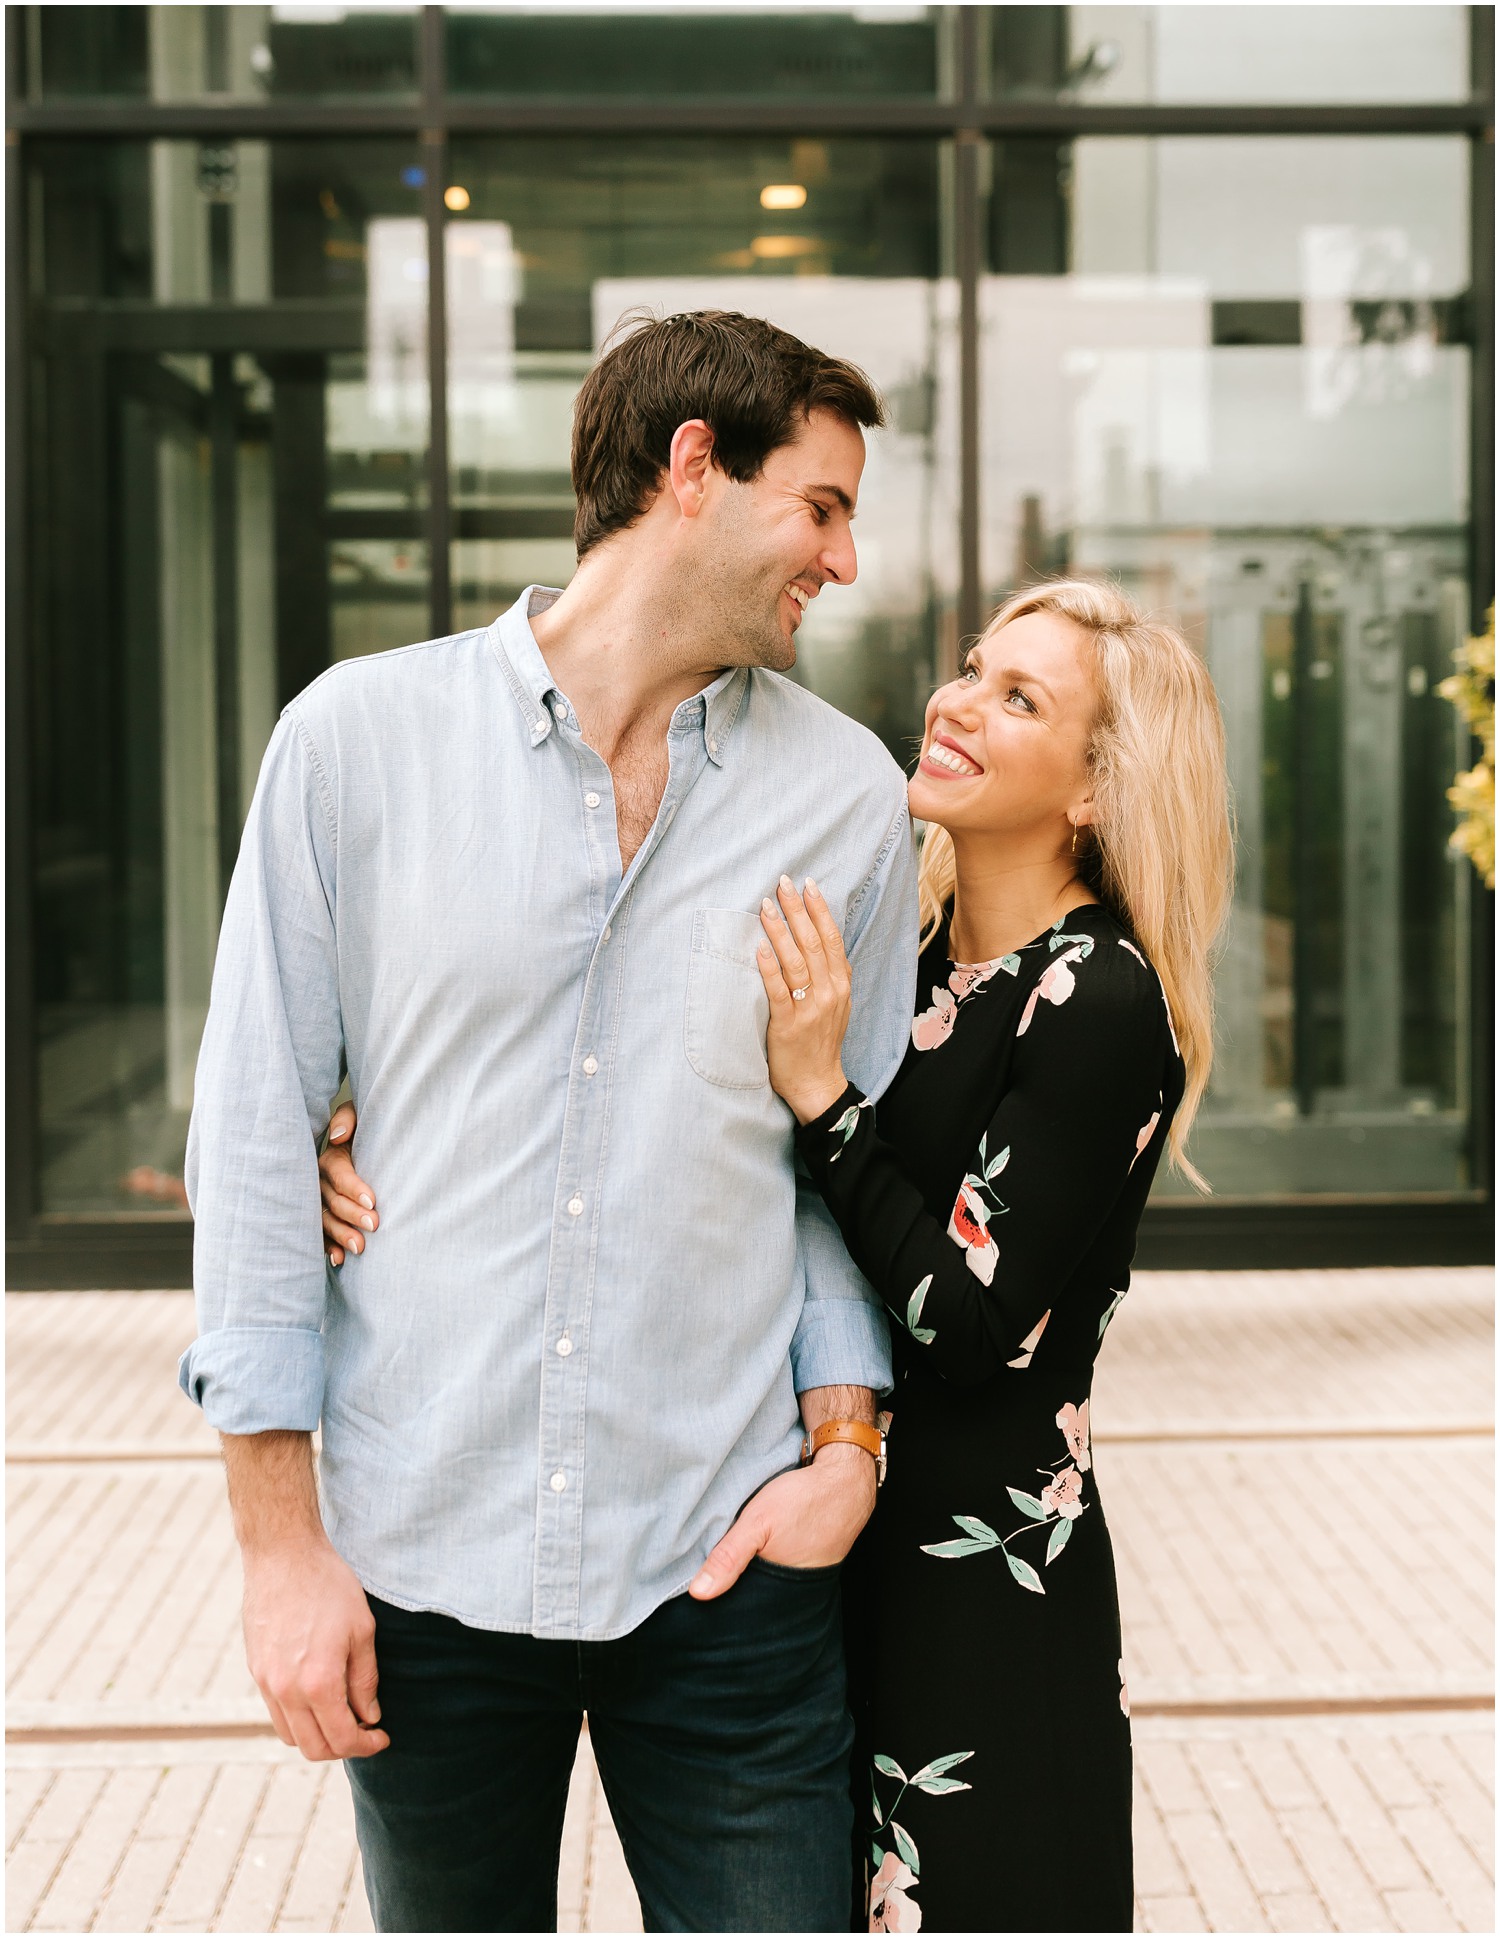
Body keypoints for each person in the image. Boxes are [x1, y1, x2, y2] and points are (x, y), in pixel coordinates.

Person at [323, 576, 1233, 1932]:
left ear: (1098, 788)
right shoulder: (915, 953)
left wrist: (824, 1097)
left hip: (978, 1597)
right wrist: (359, 1132)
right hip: (834, 1569)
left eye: (1019, 697)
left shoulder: (1098, 994)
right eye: (975, 665)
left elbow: (971, 1321)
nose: (960, 700)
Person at [178, 310, 923, 1934]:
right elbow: (250, 1143)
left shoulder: (848, 797)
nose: (848, 558)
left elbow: (838, 1167)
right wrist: (280, 1550)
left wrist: (849, 1446)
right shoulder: (353, 747)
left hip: (726, 1562)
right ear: (694, 469)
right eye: (822, 504)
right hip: (426, 1556)